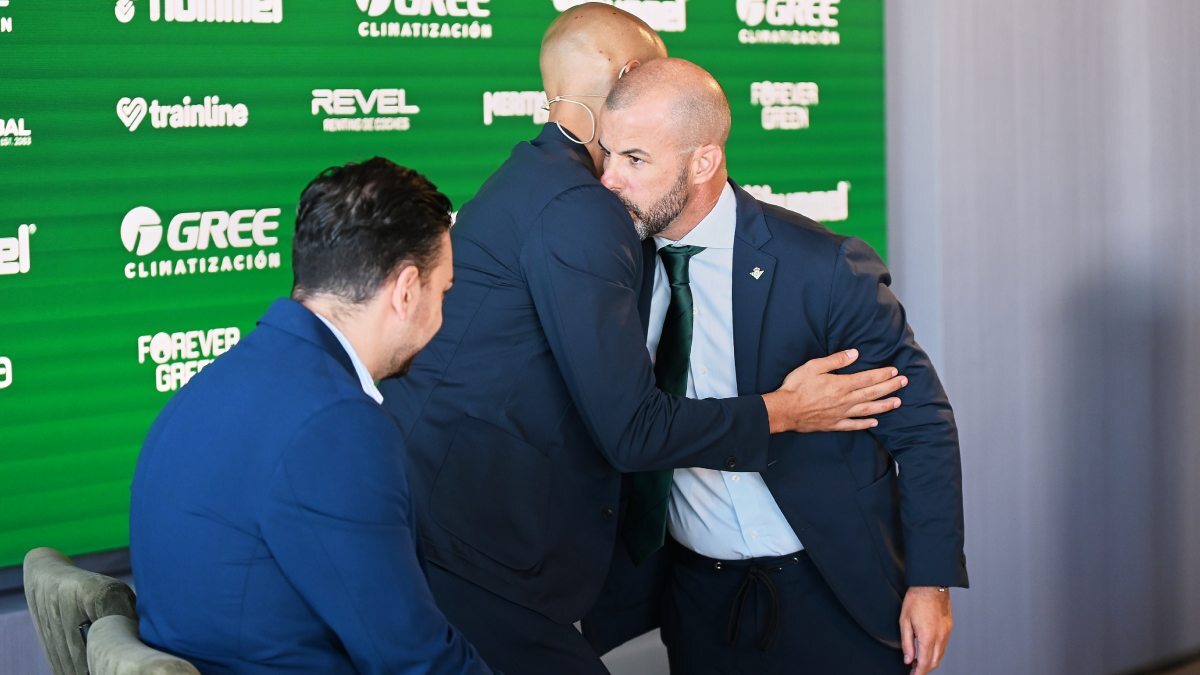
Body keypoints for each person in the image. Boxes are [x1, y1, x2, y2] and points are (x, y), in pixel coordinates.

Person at [379, 5, 907, 674]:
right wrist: (785, 410)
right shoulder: (581, 206)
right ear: (629, 76)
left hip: (453, 520)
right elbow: (630, 429)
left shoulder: (535, 174)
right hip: (477, 542)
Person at [587, 58, 968, 674]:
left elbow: (921, 426)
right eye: (607, 154)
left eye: (635, 159)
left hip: (835, 591)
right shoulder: (615, 269)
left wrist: (931, 582)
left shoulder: (823, 267)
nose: (608, 179)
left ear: (702, 162)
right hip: (698, 600)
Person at [129, 158, 495, 675]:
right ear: (407, 290)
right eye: (444, 292)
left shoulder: (217, 381)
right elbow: (414, 660)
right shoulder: (338, 425)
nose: (442, 314)